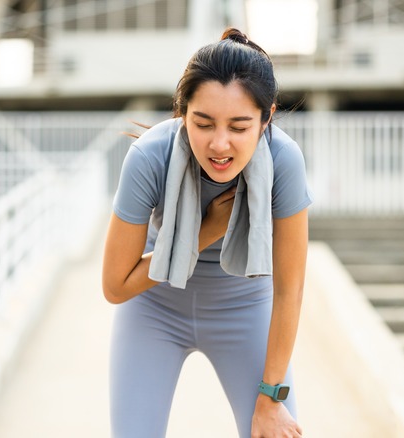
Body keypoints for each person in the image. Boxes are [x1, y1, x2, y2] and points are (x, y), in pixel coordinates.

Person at [102, 28, 312, 438]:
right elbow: (115, 286)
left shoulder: (285, 161)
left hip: (245, 304)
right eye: (203, 123)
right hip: (154, 307)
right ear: (182, 113)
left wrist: (271, 398)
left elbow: (290, 290)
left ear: (266, 117)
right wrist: (204, 231)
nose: (220, 145)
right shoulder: (150, 156)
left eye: (239, 126)